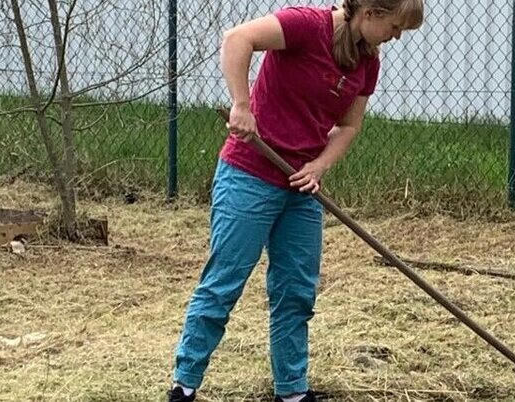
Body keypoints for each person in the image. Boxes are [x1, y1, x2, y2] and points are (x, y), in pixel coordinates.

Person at [167, 1, 424, 401]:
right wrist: (241, 104)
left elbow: (349, 126)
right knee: (224, 285)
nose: (397, 36)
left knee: (297, 292)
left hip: (301, 188)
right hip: (250, 174)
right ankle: (184, 385)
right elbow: (238, 39)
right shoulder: (305, 25)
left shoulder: (366, 62)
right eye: (395, 26)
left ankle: (291, 391)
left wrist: (319, 166)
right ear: (371, 12)